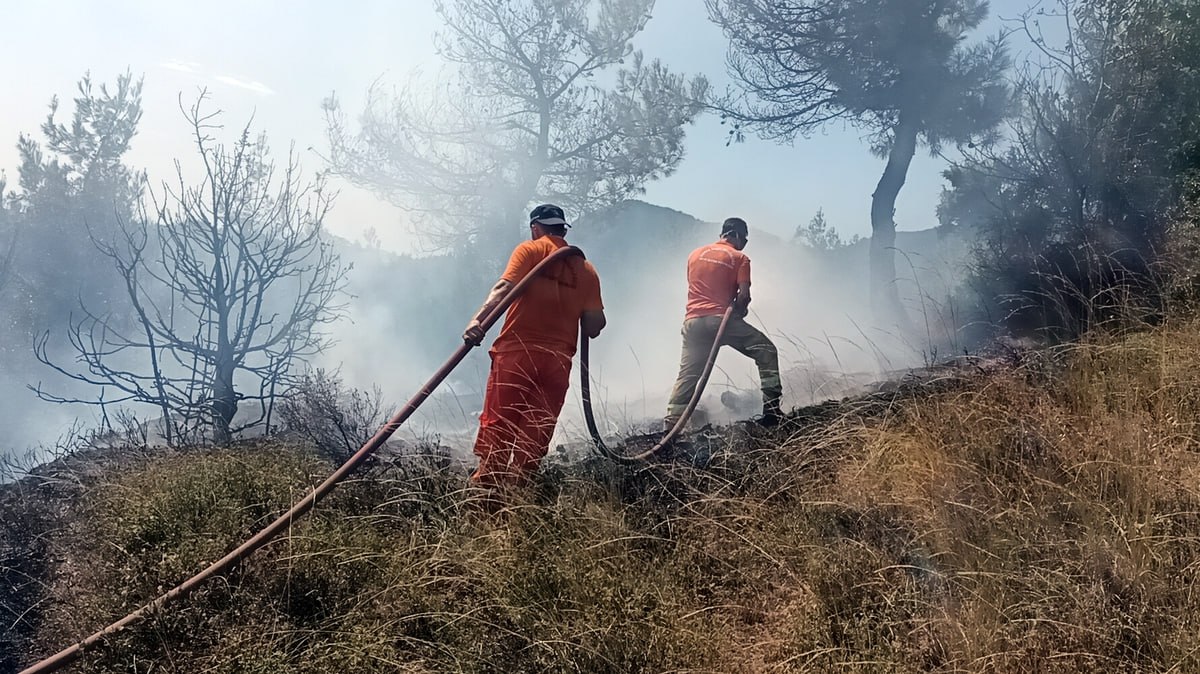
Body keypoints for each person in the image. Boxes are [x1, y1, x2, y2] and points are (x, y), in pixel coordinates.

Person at [463, 204, 606, 492]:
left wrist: (478, 320)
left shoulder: (529, 250)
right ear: (563, 230)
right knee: (535, 436)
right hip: (557, 362)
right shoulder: (587, 270)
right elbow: (594, 325)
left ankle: (486, 506)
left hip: (518, 352)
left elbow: (504, 288)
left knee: (498, 428)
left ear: (536, 228)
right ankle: (521, 503)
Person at [665, 217, 782, 430]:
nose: (743, 244)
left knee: (688, 376)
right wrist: (740, 310)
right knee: (766, 351)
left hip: (692, 323)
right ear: (737, 235)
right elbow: (744, 296)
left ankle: (670, 427)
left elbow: (698, 288)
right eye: (744, 239)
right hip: (720, 321)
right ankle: (772, 413)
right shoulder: (740, 258)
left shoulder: (694, 255)